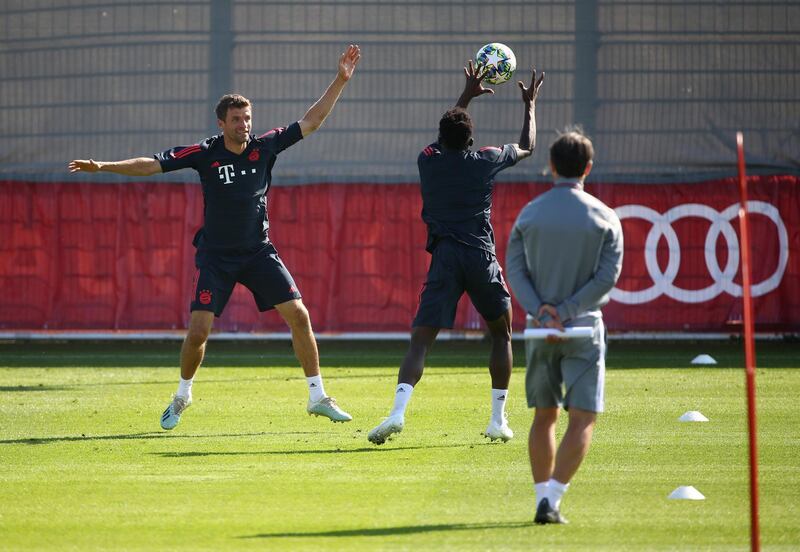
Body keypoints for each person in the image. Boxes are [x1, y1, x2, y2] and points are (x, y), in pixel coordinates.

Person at [69, 44, 362, 431]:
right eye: (237, 119)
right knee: (199, 331)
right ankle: (182, 395)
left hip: (259, 252)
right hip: (217, 258)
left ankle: (317, 396)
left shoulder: (264, 146)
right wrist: (104, 166)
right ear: (221, 123)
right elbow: (153, 165)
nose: (245, 124)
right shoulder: (204, 153)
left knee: (299, 315)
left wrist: (340, 81)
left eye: (248, 118)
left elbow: (310, 122)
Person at [367, 62, 545, 445]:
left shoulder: (426, 161)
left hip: (445, 258)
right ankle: (498, 420)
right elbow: (528, 146)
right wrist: (529, 105)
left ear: (441, 138)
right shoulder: (485, 161)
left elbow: (449, 128)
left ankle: (397, 413)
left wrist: (467, 94)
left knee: (420, 342)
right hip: (480, 257)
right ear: (470, 141)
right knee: (502, 335)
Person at [505, 128, 623, 524]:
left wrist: (542, 311)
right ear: (588, 168)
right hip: (584, 330)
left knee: (544, 415)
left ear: (551, 166)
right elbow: (607, 277)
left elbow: (515, 272)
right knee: (583, 417)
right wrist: (569, 309)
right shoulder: (606, 218)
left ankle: (542, 496)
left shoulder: (529, 214)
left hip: (539, 331)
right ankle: (553, 499)